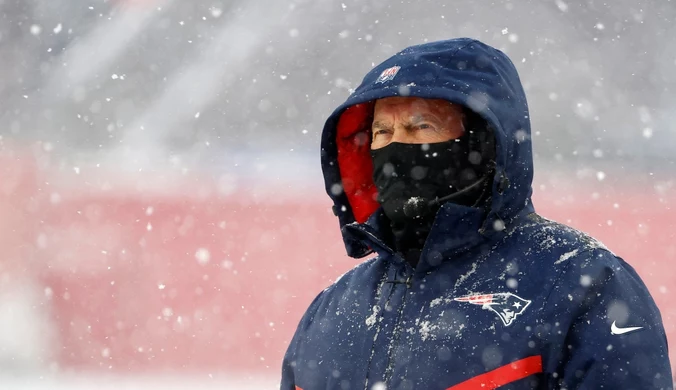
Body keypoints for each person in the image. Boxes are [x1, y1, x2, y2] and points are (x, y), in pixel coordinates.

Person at [281, 38, 672, 389]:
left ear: (481, 145)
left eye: (421, 126)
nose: (396, 147)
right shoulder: (332, 309)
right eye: (382, 131)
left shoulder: (581, 282)